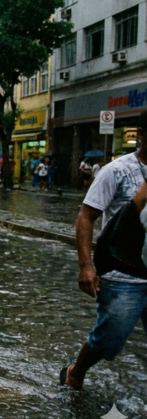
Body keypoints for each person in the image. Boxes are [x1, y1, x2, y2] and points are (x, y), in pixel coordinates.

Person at [62, 110, 147, 390]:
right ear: (142, 135)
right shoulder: (117, 171)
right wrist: (86, 266)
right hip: (123, 274)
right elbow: (86, 217)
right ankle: (76, 371)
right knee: (109, 338)